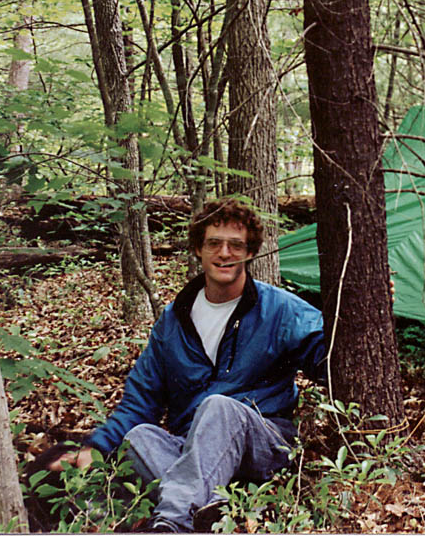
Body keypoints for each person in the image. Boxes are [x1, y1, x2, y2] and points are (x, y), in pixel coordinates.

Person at [47, 197, 325, 532]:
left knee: (219, 408)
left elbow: (327, 358)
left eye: (236, 245)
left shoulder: (280, 309)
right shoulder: (173, 320)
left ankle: (171, 524)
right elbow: (140, 402)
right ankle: (215, 511)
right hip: (192, 449)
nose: (225, 254)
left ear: (250, 253)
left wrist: (364, 319)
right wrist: (96, 448)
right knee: (139, 437)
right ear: (198, 249)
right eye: (214, 244)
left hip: (261, 441)